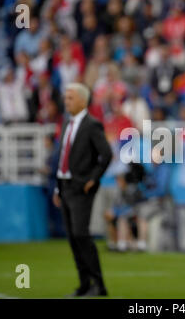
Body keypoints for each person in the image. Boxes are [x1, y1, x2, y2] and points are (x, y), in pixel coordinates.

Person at [52, 83, 112, 297]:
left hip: (81, 188)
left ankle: (99, 285)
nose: (66, 101)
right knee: (72, 237)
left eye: (70, 98)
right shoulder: (67, 122)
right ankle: (84, 283)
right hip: (65, 185)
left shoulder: (92, 125)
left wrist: (93, 179)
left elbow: (106, 155)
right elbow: (62, 157)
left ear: (82, 100)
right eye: (66, 97)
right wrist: (58, 188)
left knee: (81, 235)